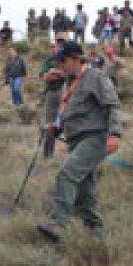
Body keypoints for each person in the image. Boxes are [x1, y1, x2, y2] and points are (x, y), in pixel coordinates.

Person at [37, 40, 122, 242]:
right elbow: (70, 111)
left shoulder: (95, 77)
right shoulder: (70, 83)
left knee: (67, 174)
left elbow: (113, 106)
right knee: (85, 194)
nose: (61, 66)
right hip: (75, 140)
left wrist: (114, 134)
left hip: (95, 137)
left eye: (64, 61)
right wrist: (55, 128)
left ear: (77, 59)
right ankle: (98, 237)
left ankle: (59, 223)